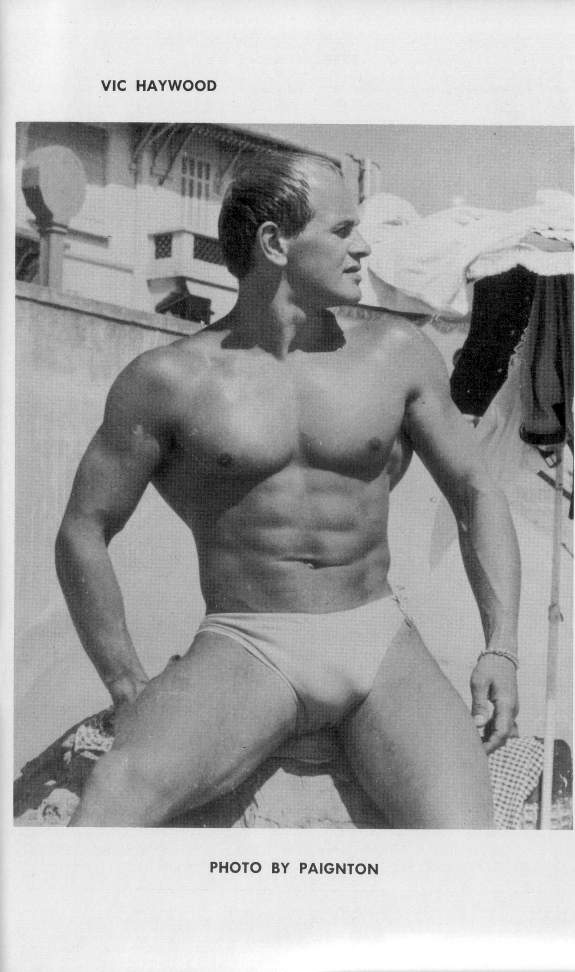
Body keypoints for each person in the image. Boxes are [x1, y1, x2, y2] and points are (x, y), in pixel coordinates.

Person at [56, 151, 520, 828]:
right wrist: (127, 682)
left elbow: (478, 488)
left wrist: (500, 647)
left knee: (466, 844)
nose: (363, 247)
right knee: (110, 803)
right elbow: (83, 528)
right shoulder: (169, 380)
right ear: (275, 242)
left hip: (378, 640)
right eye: (342, 230)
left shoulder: (395, 353)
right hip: (249, 643)